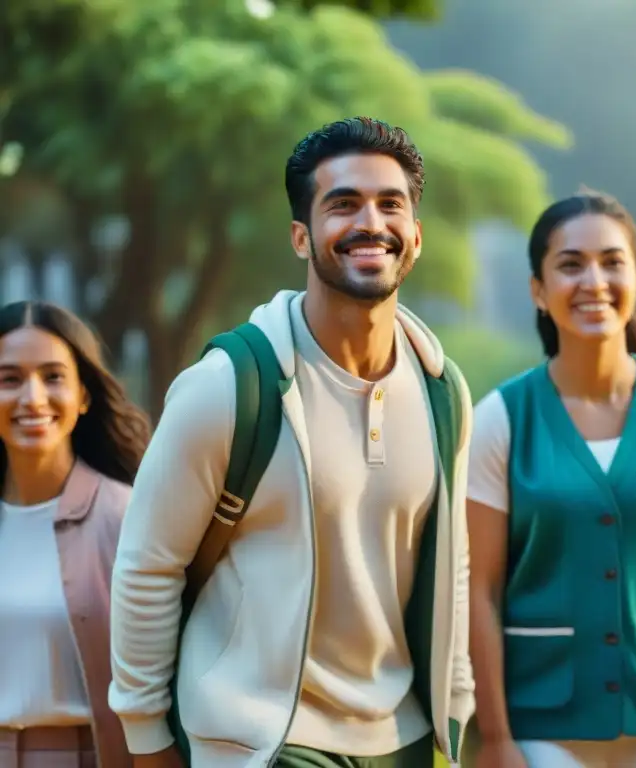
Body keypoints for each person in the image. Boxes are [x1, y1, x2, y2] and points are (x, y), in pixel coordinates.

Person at [108, 117, 474, 768]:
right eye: (343, 204)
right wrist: (147, 741)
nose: (371, 223)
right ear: (302, 237)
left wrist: (456, 715)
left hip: (405, 740)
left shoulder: (445, 393)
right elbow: (147, 566)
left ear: (414, 236)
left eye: (391, 204)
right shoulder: (229, 387)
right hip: (260, 743)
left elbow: (452, 565)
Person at [467, 190, 636, 768]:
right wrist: (495, 739)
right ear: (539, 291)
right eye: (570, 265)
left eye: (612, 262)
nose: (593, 280)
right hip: (542, 731)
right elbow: (479, 590)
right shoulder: (501, 419)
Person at [0, 300, 150, 768]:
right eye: (9, 379)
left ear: (84, 395)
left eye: (52, 377)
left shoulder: (125, 518)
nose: (32, 398)